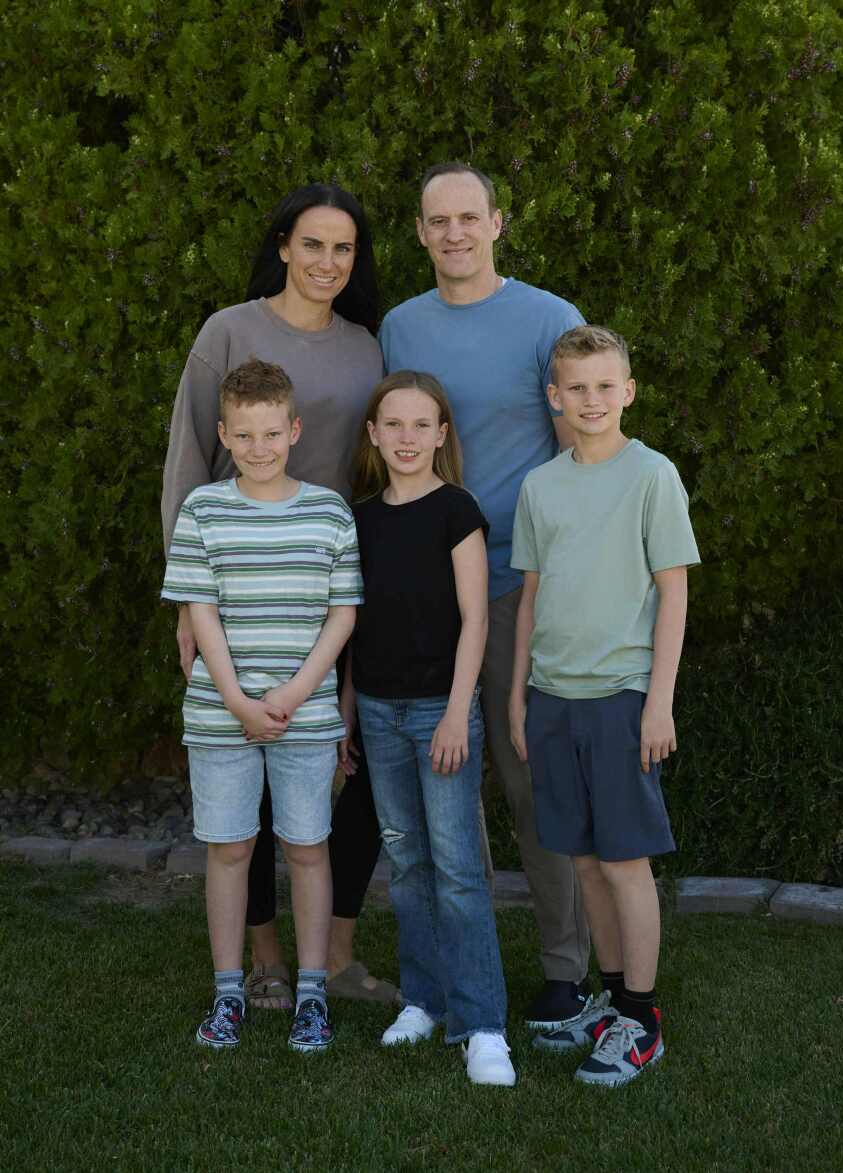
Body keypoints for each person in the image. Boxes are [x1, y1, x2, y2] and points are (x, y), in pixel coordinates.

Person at [162, 183, 396, 1009]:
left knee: (347, 760)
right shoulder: (230, 330)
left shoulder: (368, 346)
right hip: (237, 578)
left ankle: (332, 952)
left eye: (344, 248)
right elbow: (189, 459)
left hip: (336, 575)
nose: (328, 262)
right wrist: (191, 606)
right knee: (243, 764)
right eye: (313, 244)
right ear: (284, 246)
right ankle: (261, 956)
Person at [379, 162, 591, 1030]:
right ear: (422, 232)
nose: (455, 233)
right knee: (426, 790)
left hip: (520, 589)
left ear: (498, 223)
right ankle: (437, 977)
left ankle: (566, 968)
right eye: (439, 220)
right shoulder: (399, 325)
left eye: (471, 217)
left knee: (527, 777)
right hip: (418, 594)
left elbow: (588, 446)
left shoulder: (549, 319)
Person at [509, 325, 700, 1086]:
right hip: (551, 696)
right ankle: (612, 999)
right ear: (555, 397)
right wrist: (521, 695)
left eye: (604, 386)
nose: (591, 400)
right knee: (584, 859)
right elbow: (529, 597)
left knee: (625, 863)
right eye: (575, 388)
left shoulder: (651, 475)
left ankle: (642, 1018)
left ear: (627, 390)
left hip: (620, 697)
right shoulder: (540, 486)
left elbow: (675, 592)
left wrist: (660, 701)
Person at [162, 359, 364, 1051]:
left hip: (303, 716)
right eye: (243, 435)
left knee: (307, 846)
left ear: (294, 429)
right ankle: (229, 990)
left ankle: (311, 992)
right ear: (223, 433)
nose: (258, 448)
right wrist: (239, 701)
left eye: (271, 433)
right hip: (222, 718)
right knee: (231, 847)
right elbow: (203, 612)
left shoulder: (328, 511)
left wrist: (291, 693)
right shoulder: (204, 511)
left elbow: (342, 615)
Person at [337, 370, 516, 1086]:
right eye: (394, 424)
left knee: (458, 872)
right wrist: (348, 712)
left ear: (441, 434)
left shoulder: (456, 510)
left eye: (421, 425)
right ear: (374, 434)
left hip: (441, 710)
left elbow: (475, 618)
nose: (407, 438)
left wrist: (455, 711)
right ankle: (425, 999)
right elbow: (355, 624)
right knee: (406, 866)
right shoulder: (361, 518)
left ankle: (484, 1025)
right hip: (378, 711)